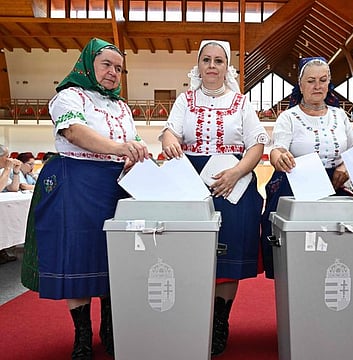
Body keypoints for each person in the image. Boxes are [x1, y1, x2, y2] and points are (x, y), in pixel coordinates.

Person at [20, 38, 149, 360]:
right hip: (76, 181)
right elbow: (74, 133)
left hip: (116, 185)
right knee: (77, 255)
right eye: (106, 65)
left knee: (112, 257)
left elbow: (132, 139)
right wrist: (120, 149)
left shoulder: (121, 106)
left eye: (119, 68)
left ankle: (109, 328)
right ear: (88, 65)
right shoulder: (68, 97)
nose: (113, 73)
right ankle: (82, 335)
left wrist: (136, 152)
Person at [160, 39, 269, 356]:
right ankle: (193, 318)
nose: (212, 65)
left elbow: (257, 145)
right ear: (198, 65)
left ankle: (220, 321)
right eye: (206, 60)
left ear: (227, 67)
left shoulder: (241, 103)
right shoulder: (185, 100)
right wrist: (169, 140)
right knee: (189, 254)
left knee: (227, 253)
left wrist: (236, 173)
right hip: (192, 181)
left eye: (218, 61)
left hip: (230, 180)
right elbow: (170, 131)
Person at [260, 57, 353, 278]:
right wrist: (280, 158)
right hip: (298, 187)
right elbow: (277, 149)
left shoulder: (340, 115)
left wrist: (345, 165)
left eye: (323, 80)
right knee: (300, 253)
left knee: (334, 252)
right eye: (311, 81)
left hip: (336, 186)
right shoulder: (289, 117)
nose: (317, 86)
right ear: (301, 85)